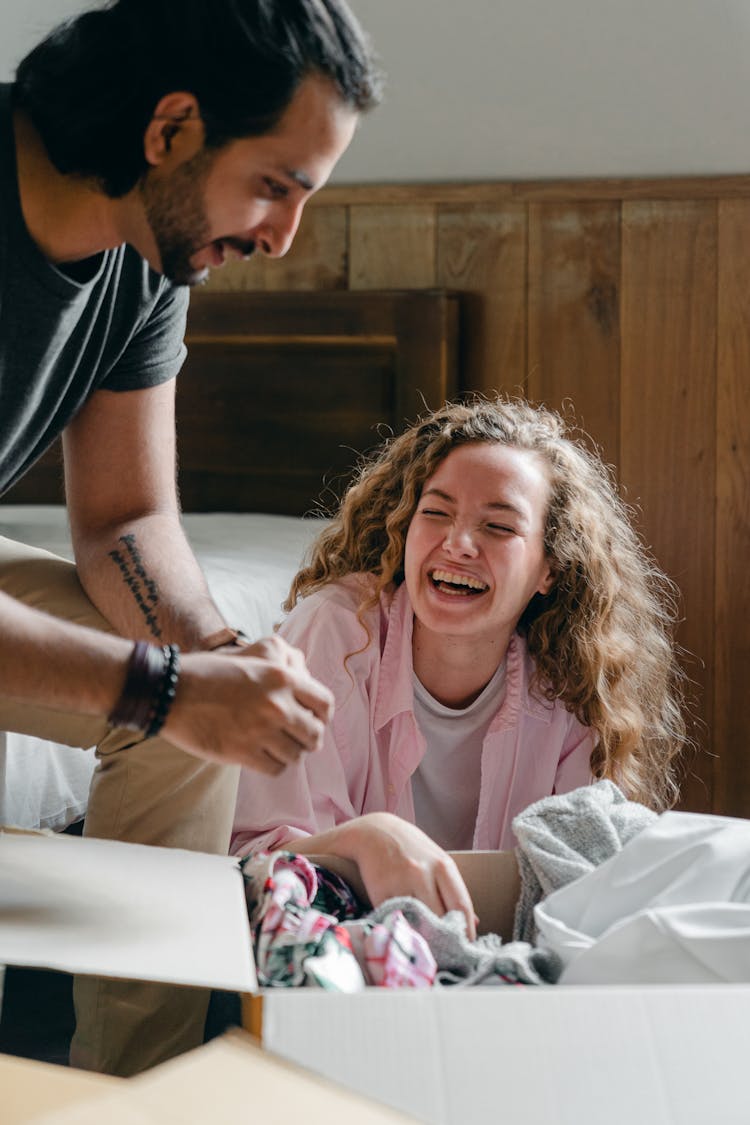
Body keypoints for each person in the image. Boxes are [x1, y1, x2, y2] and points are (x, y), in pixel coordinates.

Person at [0, 0, 381, 1075]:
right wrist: (160, 686)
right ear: (169, 132)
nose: (282, 236)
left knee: (185, 721)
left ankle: (135, 1090)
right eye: (275, 185)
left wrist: (215, 663)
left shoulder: (146, 255)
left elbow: (125, 517)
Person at [232, 396, 688, 938]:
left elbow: (581, 883)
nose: (458, 544)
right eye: (436, 513)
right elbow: (257, 865)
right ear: (405, 527)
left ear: (550, 567)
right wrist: (369, 837)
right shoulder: (334, 632)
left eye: (498, 527)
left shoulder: (575, 679)